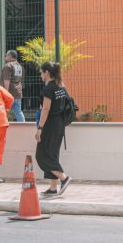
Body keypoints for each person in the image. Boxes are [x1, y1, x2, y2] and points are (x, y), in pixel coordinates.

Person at [34, 62, 73, 197]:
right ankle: (52, 188)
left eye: (41, 72)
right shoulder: (61, 86)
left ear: (46, 73)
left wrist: (40, 128)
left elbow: (45, 109)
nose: (40, 75)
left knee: (41, 155)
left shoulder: (49, 89)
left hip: (50, 125)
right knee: (52, 154)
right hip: (60, 124)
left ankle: (64, 178)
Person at [0, 49, 25, 122]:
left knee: (3, 111)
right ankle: (23, 127)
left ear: (10, 56)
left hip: (9, 93)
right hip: (17, 92)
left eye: (6, 55)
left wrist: (5, 94)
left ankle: (2, 126)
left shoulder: (8, 66)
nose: (5, 56)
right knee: (18, 112)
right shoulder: (19, 66)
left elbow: (6, 80)